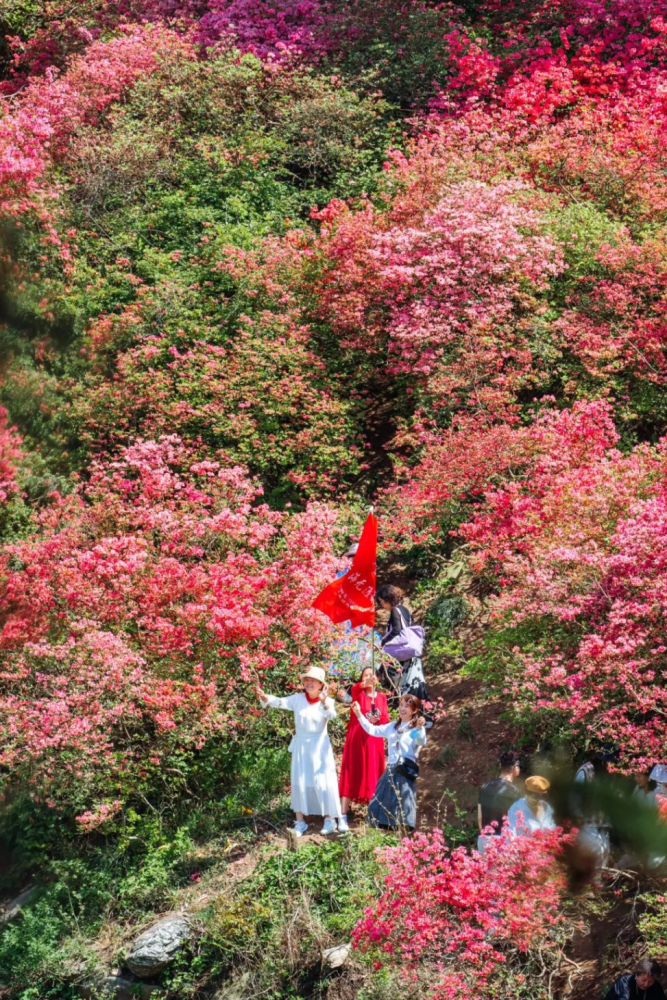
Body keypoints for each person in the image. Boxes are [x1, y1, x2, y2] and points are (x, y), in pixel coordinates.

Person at [256, 666, 341, 837]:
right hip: (301, 745)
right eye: (307, 680)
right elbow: (280, 702)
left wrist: (324, 701)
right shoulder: (297, 699)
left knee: (323, 781)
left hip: (320, 745)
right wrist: (266, 698)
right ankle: (300, 821)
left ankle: (329, 819)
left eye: (313, 680)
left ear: (321, 684)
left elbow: (332, 715)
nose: (309, 683)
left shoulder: (328, 701)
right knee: (300, 780)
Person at [352, 693, 427, 831]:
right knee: (380, 803)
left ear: (414, 710)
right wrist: (359, 714)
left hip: (404, 771)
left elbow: (421, 741)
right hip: (391, 769)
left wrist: (419, 728)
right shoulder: (392, 726)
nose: (402, 708)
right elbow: (372, 730)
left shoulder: (415, 728)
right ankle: (383, 836)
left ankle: (401, 837)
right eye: (401, 705)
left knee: (403, 806)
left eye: (407, 706)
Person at [337, 667, 390, 833]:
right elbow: (354, 689)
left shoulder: (381, 697)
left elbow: (386, 720)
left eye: (371, 675)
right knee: (351, 772)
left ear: (378, 679)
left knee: (374, 773)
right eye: (365, 675)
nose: (368, 677)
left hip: (374, 739)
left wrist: (377, 718)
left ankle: (373, 814)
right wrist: (364, 683)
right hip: (357, 739)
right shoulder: (358, 694)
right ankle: (342, 814)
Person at [375, 585, 427, 702]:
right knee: (415, 686)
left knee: (402, 688)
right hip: (412, 655)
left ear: (388, 599)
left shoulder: (395, 610)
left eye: (382, 601)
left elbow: (396, 631)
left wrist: (383, 643)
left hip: (403, 656)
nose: (382, 605)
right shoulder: (405, 610)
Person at [477, 750, 521, 853]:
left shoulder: (485, 787)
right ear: (515, 768)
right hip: (506, 842)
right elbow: (519, 822)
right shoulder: (515, 792)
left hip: (484, 840)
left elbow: (479, 818)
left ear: (500, 765)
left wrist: (485, 836)